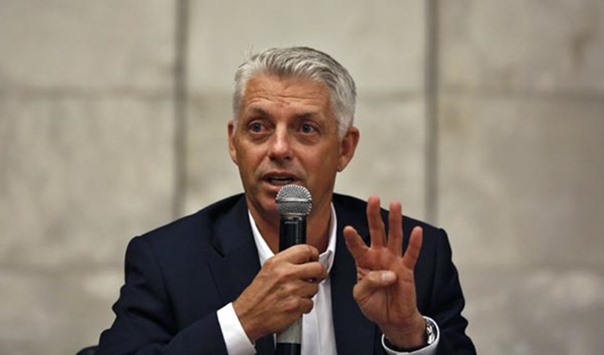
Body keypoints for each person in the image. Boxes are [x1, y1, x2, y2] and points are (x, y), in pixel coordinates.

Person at [96, 46, 475, 355]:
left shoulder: (414, 259)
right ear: (234, 142)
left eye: (305, 129)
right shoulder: (167, 260)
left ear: (344, 148)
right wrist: (241, 322)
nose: (278, 148)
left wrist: (408, 335)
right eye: (258, 127)